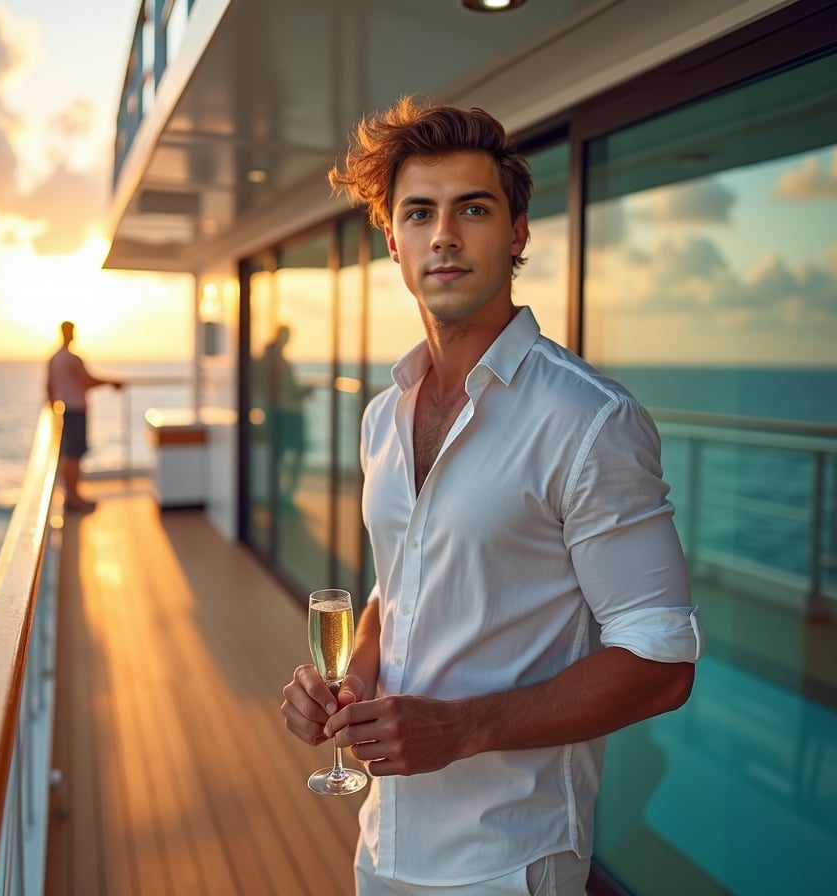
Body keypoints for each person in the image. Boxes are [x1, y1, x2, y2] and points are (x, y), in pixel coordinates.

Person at [281, 97, 704, 896]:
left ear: (516, 235)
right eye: (419, 213)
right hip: (383, 841)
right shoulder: (382, 417)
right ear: (394, 242)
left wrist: (462, 728)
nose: (444, 234)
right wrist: (352, 680)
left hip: (511, 859)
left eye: (472, 209)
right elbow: (400, 588)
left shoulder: (589, 419)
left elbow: (662, 661)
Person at [46, 320, 122, 512]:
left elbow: (49, 386)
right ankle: (73, 498)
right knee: (74, 455)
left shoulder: (54, 358)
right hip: (75, 410)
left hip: (64, 410)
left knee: (69, 454)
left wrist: (53, 407)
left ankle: (72, 496)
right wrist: (111, 382)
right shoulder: (71, 358)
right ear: (69, 333)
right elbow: (86, 381)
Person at [258, 324, 311, 502]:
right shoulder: (277, 361)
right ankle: (285, 493)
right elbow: (287, 389)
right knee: (294, 452)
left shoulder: (269, 359)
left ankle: (282, 492)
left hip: (278, 411)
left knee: (281, 454)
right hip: (287, 412)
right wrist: (304, 392)